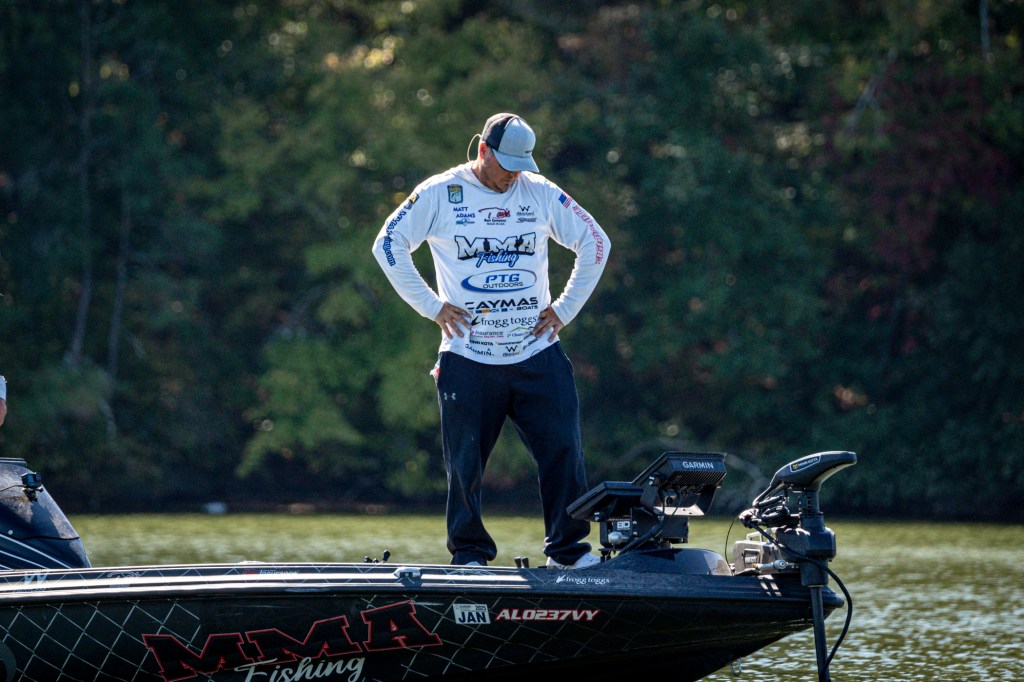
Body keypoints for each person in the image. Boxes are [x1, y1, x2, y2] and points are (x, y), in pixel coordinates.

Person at [372, 113, 611, 569]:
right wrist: (432, 306)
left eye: (522, 166)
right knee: (465, 464)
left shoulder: (540, 192)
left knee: (564, 451)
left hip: (536, 352)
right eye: (506, 165)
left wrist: (564, 309)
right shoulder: (440, 192)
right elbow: (387, 244)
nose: (513, 176)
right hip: (468, 356)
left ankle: (568, 553)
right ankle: (470, 556)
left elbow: (596, 242)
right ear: (483, 150)